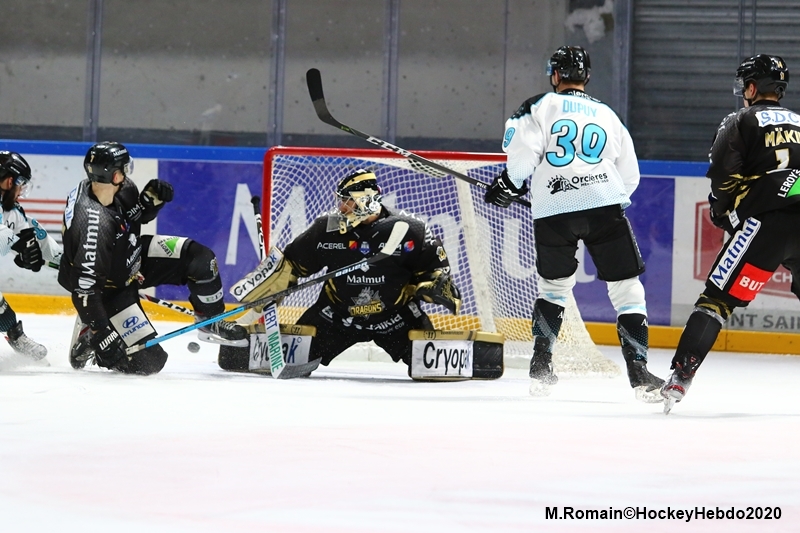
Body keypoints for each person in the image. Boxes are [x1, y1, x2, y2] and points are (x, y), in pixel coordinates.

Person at [484, 45, 663, 401]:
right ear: (586, 77)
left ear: (555, 76)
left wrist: (510, 184)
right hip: (603, 206)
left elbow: (522, 153)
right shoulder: (607, 114)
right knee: (627, 290)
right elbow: (629, 174)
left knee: (553, 289)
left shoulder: (539, 105)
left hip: (554, 210)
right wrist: (606, 200)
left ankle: (541, 365)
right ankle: (639, 371)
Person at [222, 168, 462, 376]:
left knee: (434, 371)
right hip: (333, 317)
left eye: (347, 200)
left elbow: (437, 273)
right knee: (237, 358)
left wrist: (434, 288)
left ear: (366, 200)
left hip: (397, 318)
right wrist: (268, 291)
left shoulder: (413, 229)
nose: (341, 206)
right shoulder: (327, 228)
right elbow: (290, 265)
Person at [661, 54, 800, 412]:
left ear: (754, 87)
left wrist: (723, 212)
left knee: (716, 301)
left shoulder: (740, 120)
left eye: (746, 85)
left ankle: (680, 377)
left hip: (764, 223)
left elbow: (724, 176)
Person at [59, 141, 247, 375]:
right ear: (114, 175)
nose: (128, 173)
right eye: (125, 168)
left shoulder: (119, 188)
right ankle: (88, 332)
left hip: (130, 256)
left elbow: (132, 219)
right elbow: (85, 290)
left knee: (200, 259)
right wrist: (101, 332)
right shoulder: (92, 227)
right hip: (108, 288)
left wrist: (150, 205)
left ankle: (212, 319)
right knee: (149, 362)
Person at [0, 151, 61, 362]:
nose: (21, 191)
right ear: (10, 181)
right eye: (20, 184)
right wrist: (15, 242)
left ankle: (15, 336)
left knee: (4, 314)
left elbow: (39, 244)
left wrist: (73, 264)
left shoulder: (13, 213)